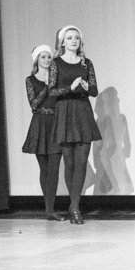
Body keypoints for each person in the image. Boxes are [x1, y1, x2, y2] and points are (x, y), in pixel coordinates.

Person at [48, 25, 101, 224]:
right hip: (64, 113)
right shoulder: (55, 64)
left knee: (81, 163)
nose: (74, 41)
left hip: (82, 112)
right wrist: (69, 88)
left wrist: (87, 87)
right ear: (62, 42)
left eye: (77, 38)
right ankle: (74, 204)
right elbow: (51, 91)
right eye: (70, 38)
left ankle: (75, 207)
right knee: (69, 163)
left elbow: (94, 91)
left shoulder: (86, 63)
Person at [22, 45, 65, 221]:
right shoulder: (30, 80)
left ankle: (50, 210)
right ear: (37, 60)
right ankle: (49, 209)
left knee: (54, 169)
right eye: (43, 57)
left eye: (49, 57)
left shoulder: (58, 79)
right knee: (45, 169)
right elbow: (34, 104)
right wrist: (47, 86)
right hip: (40, 125)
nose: (47, 60)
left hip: (55, 124)